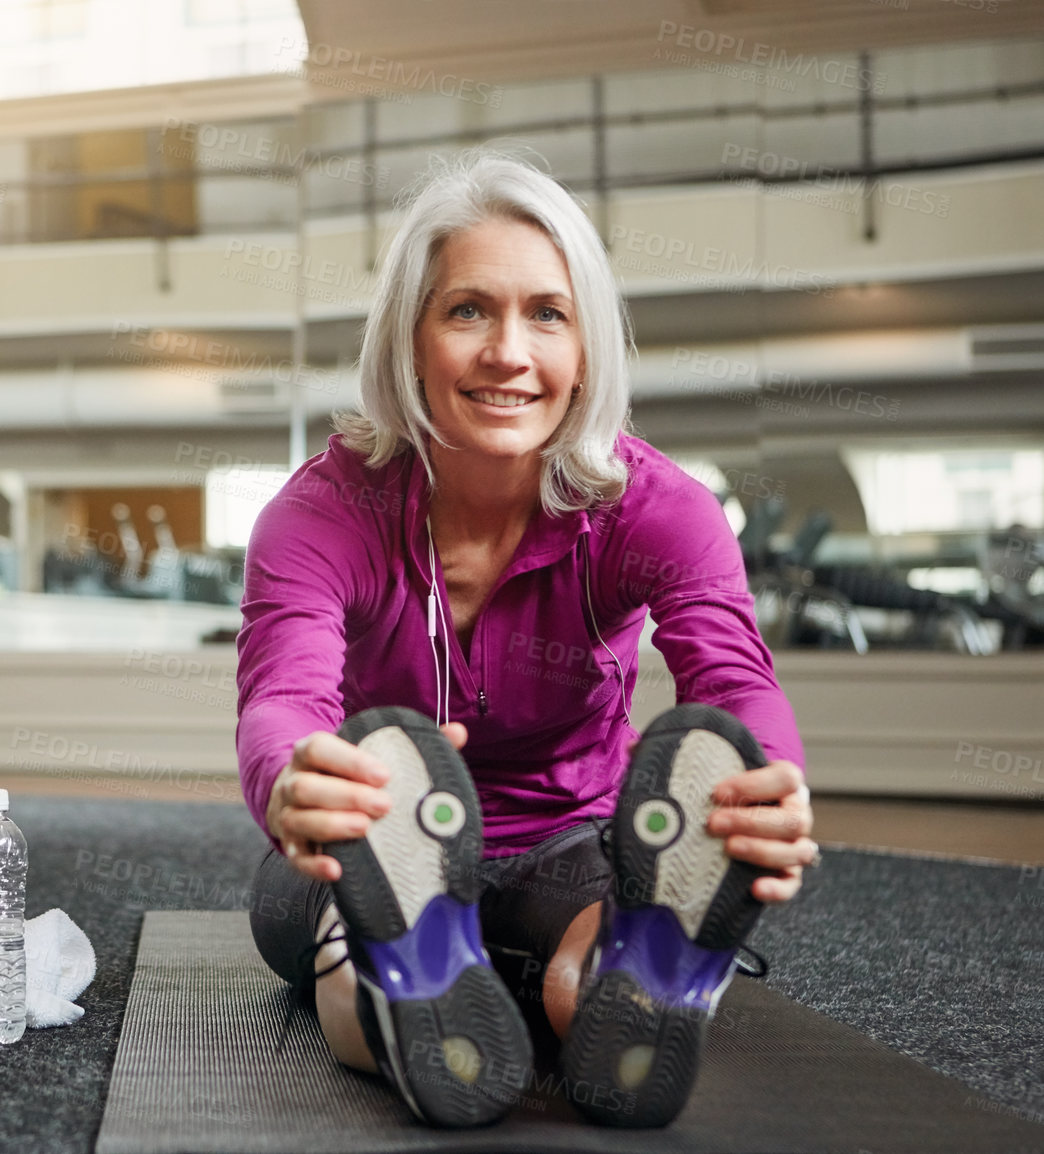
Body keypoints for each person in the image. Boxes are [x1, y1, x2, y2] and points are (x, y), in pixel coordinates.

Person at [235, 150, 816, 1129]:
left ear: (586, 346)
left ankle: (620, 973)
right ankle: (407, 971)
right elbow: (282, 693)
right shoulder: (323, 511)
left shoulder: (655, 510)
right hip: (380, 835)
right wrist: (294, 777)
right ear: (409, 338)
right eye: (468, 311)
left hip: (577, 841)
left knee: (578, 985)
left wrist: (771, 784)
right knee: (314, 911)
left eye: (546, 313)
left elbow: (731, 680)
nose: (509, 351)